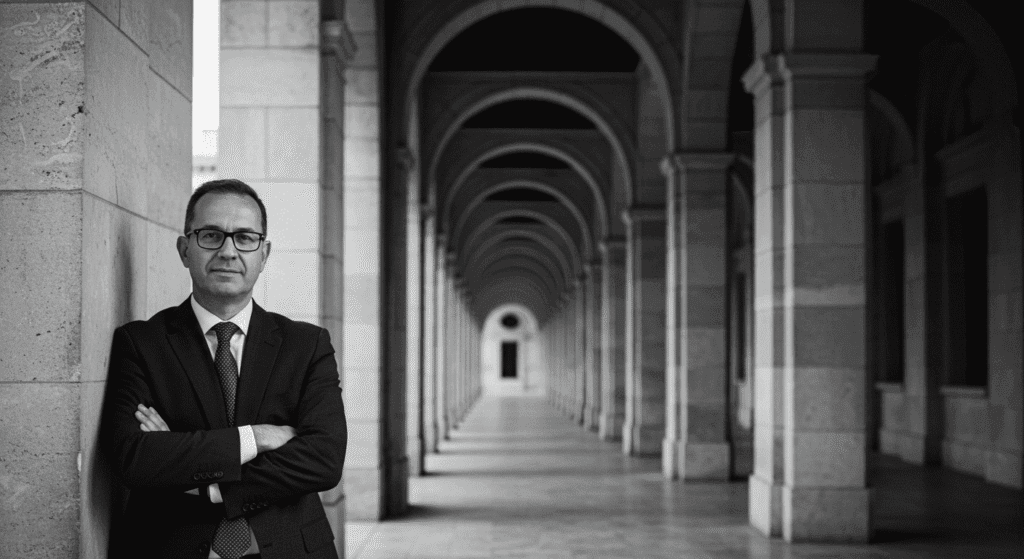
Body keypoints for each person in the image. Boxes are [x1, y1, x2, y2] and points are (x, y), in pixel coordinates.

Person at [101, 179, 347, 559]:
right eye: (211, 235)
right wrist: (257, 438)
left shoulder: (306, 345)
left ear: (264, 254)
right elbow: (136, 459)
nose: (229, 251)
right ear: (184, 249)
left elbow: (324, 460)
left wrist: (204, 483)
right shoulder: (142, 344)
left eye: (245, 238)